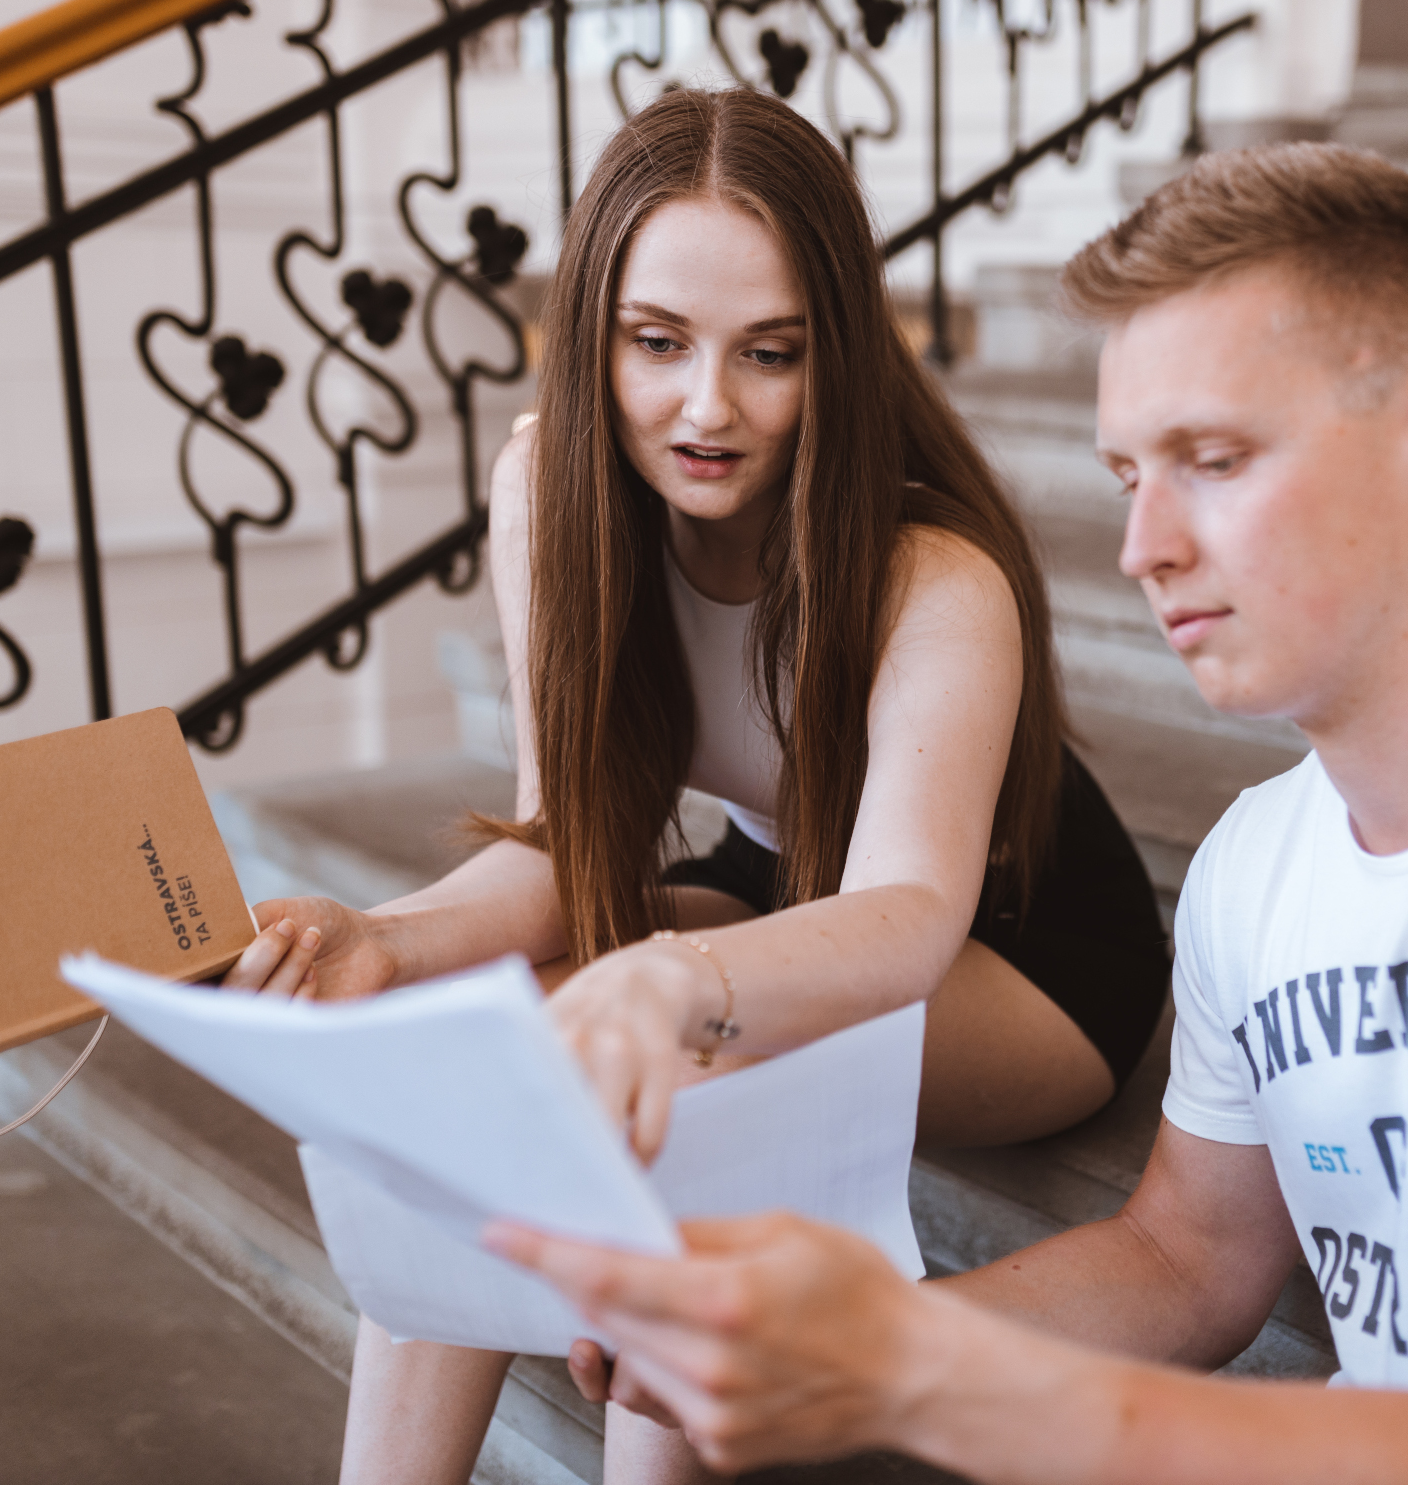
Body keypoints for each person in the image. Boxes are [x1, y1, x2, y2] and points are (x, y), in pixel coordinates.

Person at [486, 142, 1408, 1484]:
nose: (1145, 546)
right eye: (1125, 476)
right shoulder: (1255, 868)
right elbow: (1185, 1260)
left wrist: (913, 1373)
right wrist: (823, 1342)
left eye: (1211, 463)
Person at [220, 88, 1170, 1484]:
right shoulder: (549, 485)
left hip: (1014, 951)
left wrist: (678, 990)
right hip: (769, 870)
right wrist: (389, 939)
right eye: (656, 343)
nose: (707, 406)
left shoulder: (934, 571)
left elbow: (905, 913)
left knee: (680, 1066)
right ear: (593, 327)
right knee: (480, 1036)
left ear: (834, 352)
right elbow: (568, 840)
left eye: (769, 354)